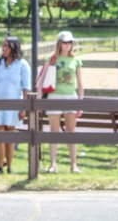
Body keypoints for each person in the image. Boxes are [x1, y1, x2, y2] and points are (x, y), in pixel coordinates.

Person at [37, 30, 84, 174]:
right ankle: (52, 164)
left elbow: (80, 84)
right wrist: (39, 101)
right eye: (65, 42)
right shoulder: (51, 58)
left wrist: (80, 104)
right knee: (54, 132)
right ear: (59, 43)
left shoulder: (76, 60)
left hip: (70, 96)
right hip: (54, 96)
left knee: (71, 132)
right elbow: (40, 81)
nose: (67, 44)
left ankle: (74, 164)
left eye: (70, 42)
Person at [0, 36, 30, 174]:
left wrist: (23, 108)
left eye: (6, 46)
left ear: (13, 47)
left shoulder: (22, 65)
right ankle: (0, 166)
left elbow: (25, 89)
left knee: (10, 137)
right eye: (3, 46)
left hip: (14, 106)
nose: (3, 48)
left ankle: (10, 166)